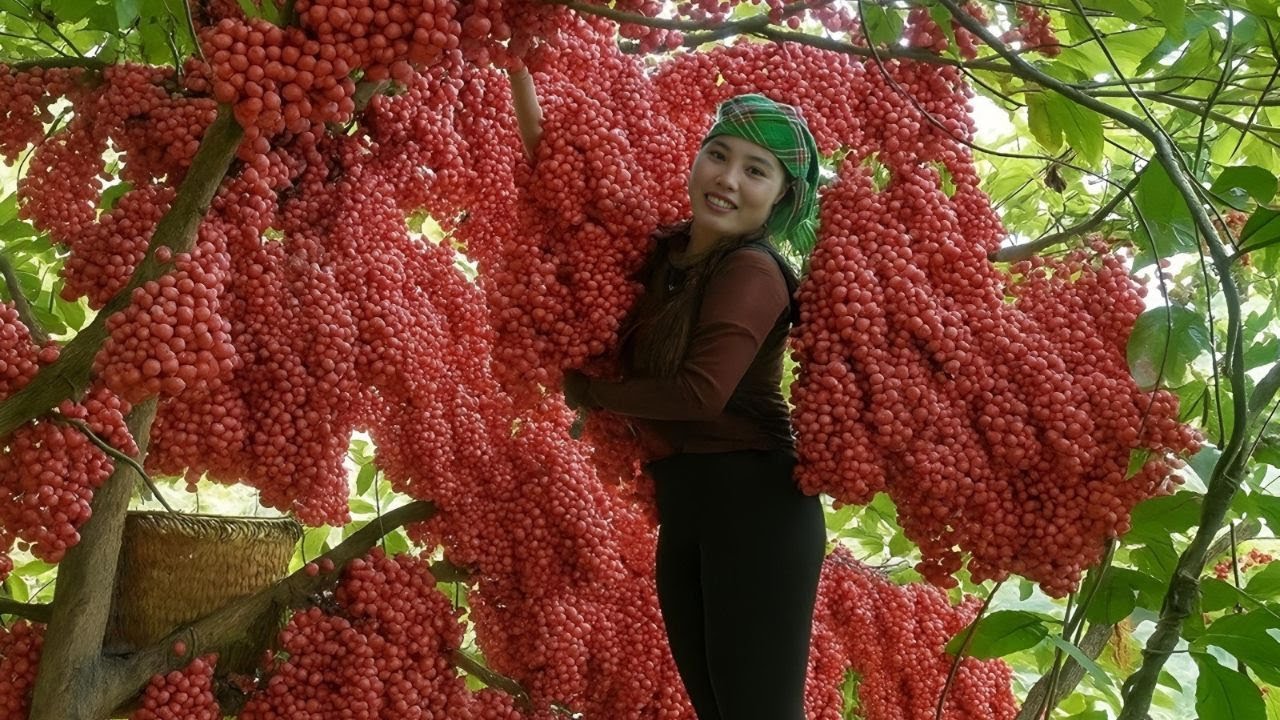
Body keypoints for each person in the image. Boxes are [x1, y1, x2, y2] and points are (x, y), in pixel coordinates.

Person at [510, 67, 826, 720]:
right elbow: (563, 186)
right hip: (691, 507)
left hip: (756, 509)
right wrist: (515, 62)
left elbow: (699, 393)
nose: (728, 179)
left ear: (779, 200)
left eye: (756, 171)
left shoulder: (754, 268)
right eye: (719, 155)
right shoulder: (666, 253)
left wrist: (588, 390)